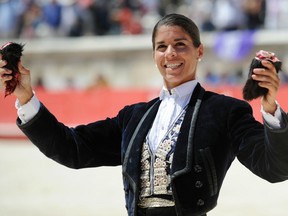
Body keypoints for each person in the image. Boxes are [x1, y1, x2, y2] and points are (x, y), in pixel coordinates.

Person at [1, 13, 288, 216]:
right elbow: (72, 149)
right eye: (161, 47)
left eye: (180, 45)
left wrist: (270, 108)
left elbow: (275, 168)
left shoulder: (224, 111)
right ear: (153, 55)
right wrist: (26, 96)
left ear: (199, 51)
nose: (170, 54)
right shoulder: (134, 118)